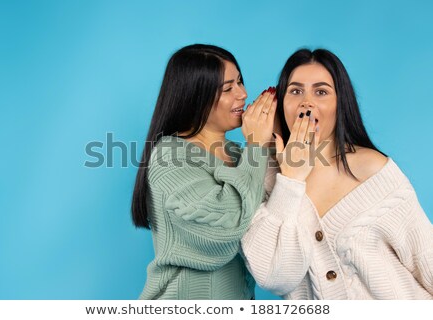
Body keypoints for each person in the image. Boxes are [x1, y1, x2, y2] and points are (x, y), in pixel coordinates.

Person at [241, 48, 433, 299]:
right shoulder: (262, 178)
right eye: (295, 91)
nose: (306, 102)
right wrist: (289, 179)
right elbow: (274, 277)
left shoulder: (373, 170)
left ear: (339, 103)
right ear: (281, 105)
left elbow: (426, 261)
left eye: (321, 92)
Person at [131, 44, 277, 299]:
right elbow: (228, 226)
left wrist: (276, 146)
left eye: (240, 82)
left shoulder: (239, 155)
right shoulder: (170, 156)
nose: (243, 94)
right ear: (195, 97)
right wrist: (256, 146)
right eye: (228, 89)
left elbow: (274, 224)